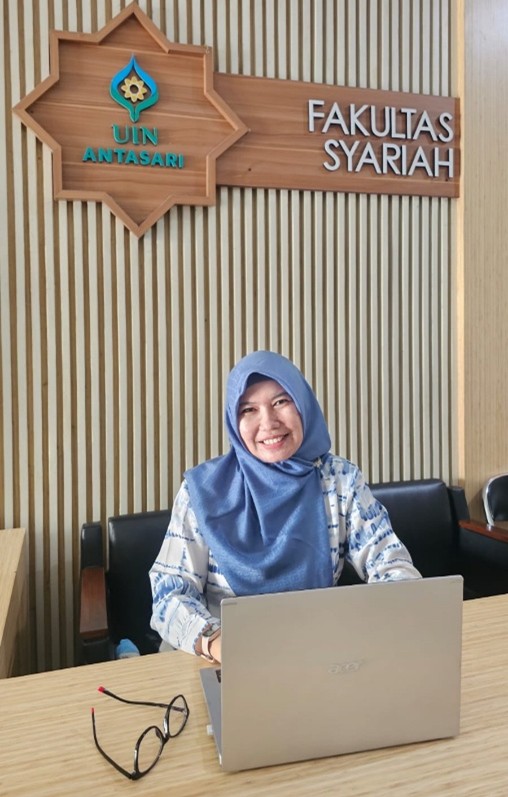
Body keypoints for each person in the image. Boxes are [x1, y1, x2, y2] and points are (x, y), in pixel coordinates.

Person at [149, 350, 420, 664]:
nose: (269, 423)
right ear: (234, 421)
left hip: (317, 655)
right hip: (220, 659)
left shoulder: (339, 480)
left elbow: (393, 566)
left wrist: (374, 625)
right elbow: (170, 595)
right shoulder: (202, 491)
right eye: (249, 409)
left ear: (303, 404)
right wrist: (220, 643)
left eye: (281, 402)